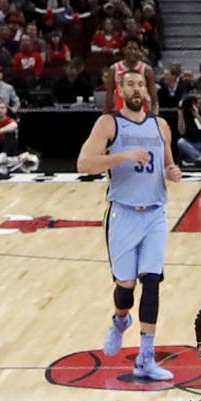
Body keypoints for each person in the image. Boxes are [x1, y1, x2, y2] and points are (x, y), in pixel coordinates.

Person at [77, 68, 182, 380]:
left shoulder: (161, 126)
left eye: (141, 84)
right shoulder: (109, 123)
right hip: (123, 213)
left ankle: (146, 357)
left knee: (152, 280)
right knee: (126, 286)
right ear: (121, 90)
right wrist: (121, 157)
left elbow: (167, 164)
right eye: (131, 84)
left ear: (147, 93)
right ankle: (119, 320)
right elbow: (84, 163)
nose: (137, 89)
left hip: (155, 213)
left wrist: (173, 172)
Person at [105, 39, 158, 114]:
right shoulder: (114, 69)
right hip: (120, 114)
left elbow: (154, 101)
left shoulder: (147, 70)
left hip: (143, 113)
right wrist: (105, 119)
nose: (132, 51)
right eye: (129, 48)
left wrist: (154, 119)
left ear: (139, 51)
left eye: (135, 49)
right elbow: (108, 100)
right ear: (123, 50)